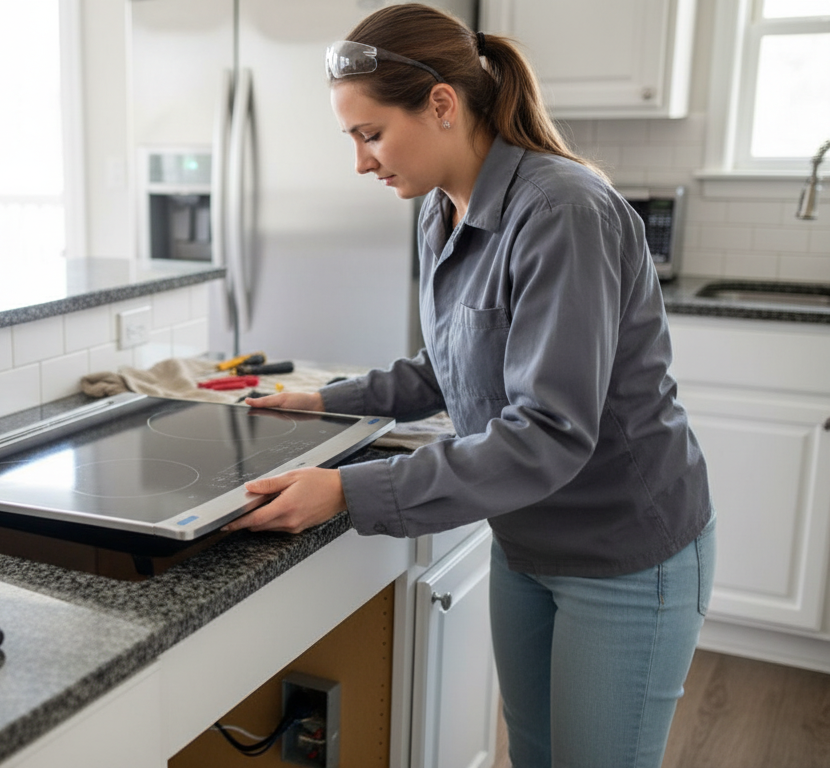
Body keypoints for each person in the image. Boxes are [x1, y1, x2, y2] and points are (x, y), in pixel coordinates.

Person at [223, 4, 716, 767]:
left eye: (371, 133)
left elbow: (548, 431)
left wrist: (347, 490)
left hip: (625, 552)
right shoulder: (440, 212)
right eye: (352, 139)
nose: (360, 162)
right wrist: (322, 401)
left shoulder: (562, 210)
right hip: (527, 539)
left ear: (443, 105)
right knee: (535, 754)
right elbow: (449, 364)